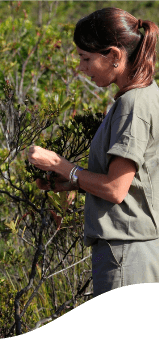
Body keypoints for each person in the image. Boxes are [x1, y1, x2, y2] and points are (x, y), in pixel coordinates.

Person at [28, 8, 159, 297]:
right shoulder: (142, 95)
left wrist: (62, 166)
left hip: (126, 254)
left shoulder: (133, 105)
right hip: (129, 250)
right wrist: (74, 181)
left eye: (86, 58)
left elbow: (115, 189)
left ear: (114, 56)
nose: (81, 68)